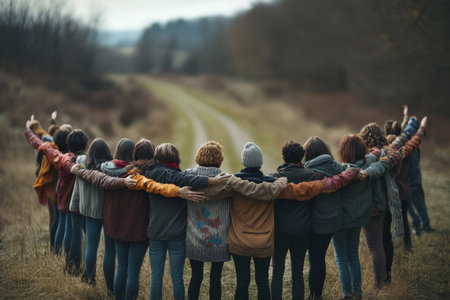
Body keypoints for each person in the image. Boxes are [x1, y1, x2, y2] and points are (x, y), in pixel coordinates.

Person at [359, 116, 427, 283]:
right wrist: (420, 128)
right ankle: (387, 275)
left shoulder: (364, 158)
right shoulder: (391, 152)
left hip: (372, 204)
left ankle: (380, 280)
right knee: (386, 239)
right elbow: (408, 141)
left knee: (376, 243)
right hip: (389, 201)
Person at [25, 116, 87, 275]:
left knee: (62, 225)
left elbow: (40, 142)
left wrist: (29, 130)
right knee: (71, 230)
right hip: (74, 199)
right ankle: (71, 263)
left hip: (62, 195)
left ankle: (62, 257)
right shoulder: (82, 160)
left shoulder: (57, 154)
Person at [333, 135, 391, 300]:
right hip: (358, 218)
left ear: (343, 152)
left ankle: (347, 294)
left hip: (341, 220)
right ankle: (357, 292)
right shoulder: (369, 164)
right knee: (353, 255)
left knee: (341, 257)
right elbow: (380, 157)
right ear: (362, 150)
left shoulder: (341, 170)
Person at [271, 141, 317, 300]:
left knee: (277, 271)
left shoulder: (275, 178)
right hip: (302, 230)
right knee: (297, 272)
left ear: (283, 157)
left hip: (279, 231)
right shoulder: (311, 176)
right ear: (301, 157)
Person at [303, 137, 344, 300]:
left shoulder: (307, 172)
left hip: (315, 223)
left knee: (315, 259)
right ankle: (317, 294)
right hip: (333, 221)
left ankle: (314, 295)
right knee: (320, 258)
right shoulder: (338, 168)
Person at [68, 137, 113, 286]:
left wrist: (74, 206)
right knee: (110, 250)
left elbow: (76, 188)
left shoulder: (81, 162)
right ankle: (110, 287)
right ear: (107, 152)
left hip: (89, 211)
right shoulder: (110, 167)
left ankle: (91, 280)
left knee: (91, 246)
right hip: (108, 213)